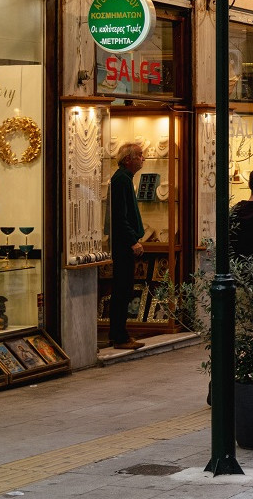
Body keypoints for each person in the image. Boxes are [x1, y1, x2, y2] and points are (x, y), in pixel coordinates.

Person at [109, 142, 146, 350]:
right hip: (124, 244)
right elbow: (120, 217)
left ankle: (119, 334)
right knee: (122, 289)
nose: (143, 159)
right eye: (140, 155)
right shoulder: (121, 180)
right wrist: (133, 240)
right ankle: (119, 336)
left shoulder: (125, 179)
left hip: (125, 242)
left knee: (124, 289)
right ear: (129, 159)